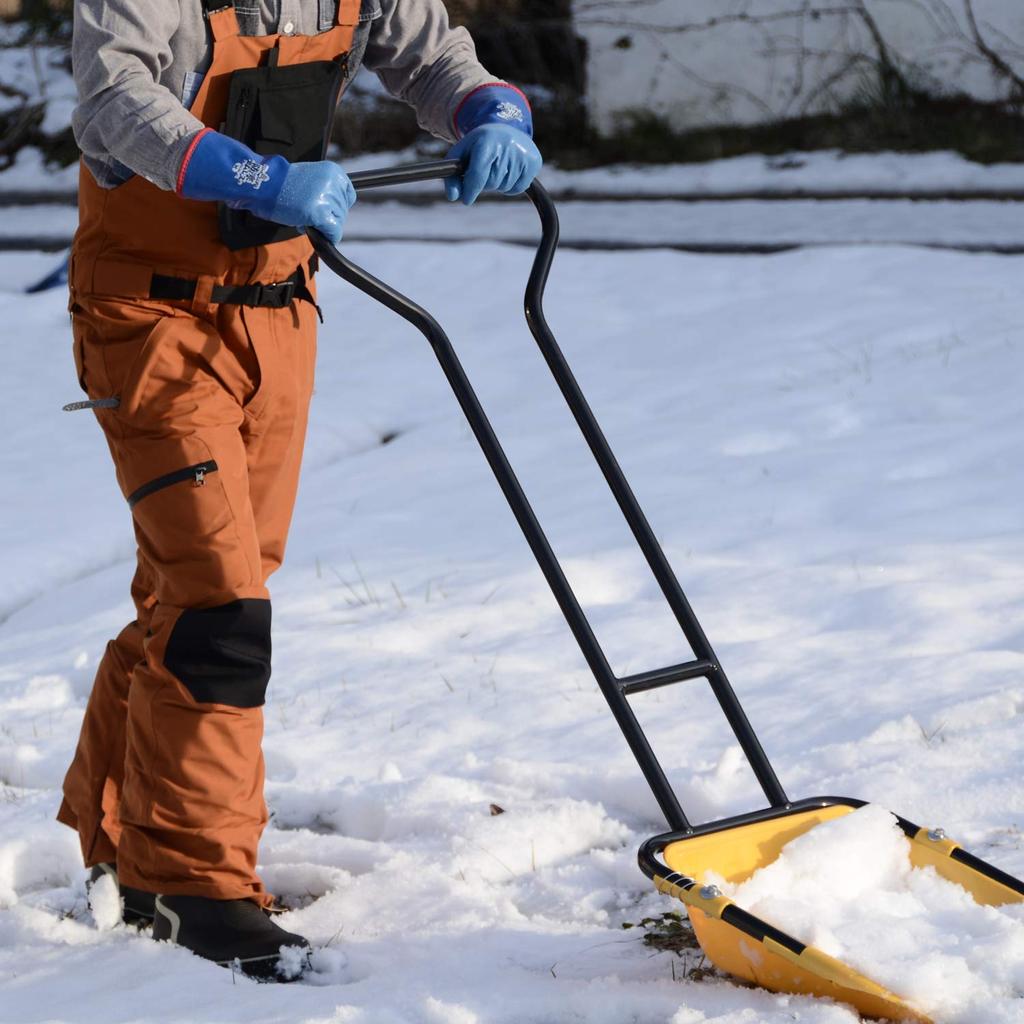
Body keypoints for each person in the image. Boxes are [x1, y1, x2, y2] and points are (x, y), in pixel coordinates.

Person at [57, 0, 542, 979]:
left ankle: (124, 841)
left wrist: (491, 113)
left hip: (277, 311)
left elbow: (429, 55)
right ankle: (196, 885)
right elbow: (112, 100)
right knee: (218, 604)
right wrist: (251, 174)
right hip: (151, 313)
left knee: (198, 591)